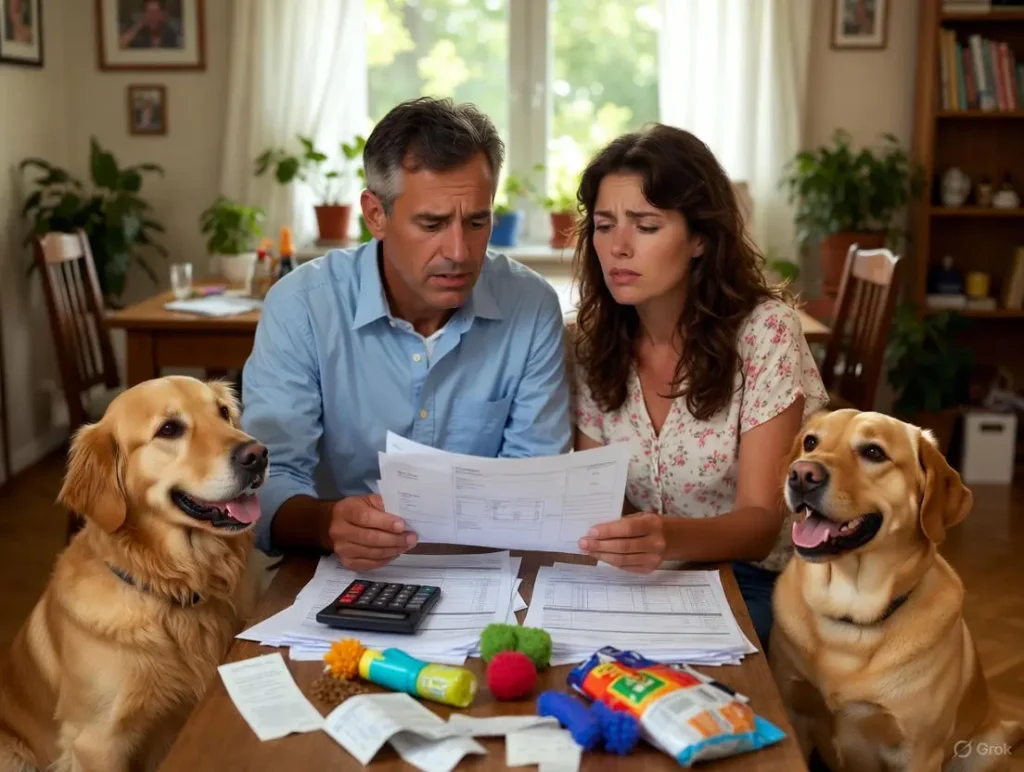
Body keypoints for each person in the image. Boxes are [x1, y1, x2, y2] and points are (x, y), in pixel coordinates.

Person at [242, 97, 572, 569]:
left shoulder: (532, 304)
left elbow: (533, 478)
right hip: (334, 568)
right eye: (432, 224)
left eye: (478, 221)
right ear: (375, 215)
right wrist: (327, 524)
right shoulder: (301, 306)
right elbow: (270, 477)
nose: (459, 251)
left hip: (489, 568)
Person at [568, 123, 829, 649]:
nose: (617, 247)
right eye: (603, 225)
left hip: (755, 578)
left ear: (700, 239)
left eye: (645, 225)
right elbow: (595, 493)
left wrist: (664, 539)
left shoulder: (766, 332)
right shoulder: (592, 343)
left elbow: (759, 526)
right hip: (636, 577)